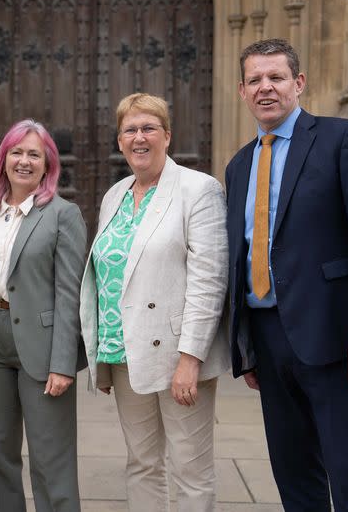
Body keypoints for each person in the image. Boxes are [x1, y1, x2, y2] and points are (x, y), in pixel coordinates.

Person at [225, 38, 348, 511]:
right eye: (255, 80)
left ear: (298, 83)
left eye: (276, 77)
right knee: (294, 477)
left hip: (334, 336)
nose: (266, 88)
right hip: (267, 338)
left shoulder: (344, 138)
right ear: (241, 91)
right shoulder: (239, 165)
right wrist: (245, 345)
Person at [79, 92, 229, 511]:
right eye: (130, 130)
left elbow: (209, 279)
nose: (139, 137)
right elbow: (107, 278)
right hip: (124, 352)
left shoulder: (199, 190)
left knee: (191, 470)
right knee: (142, 463)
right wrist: (103, 359)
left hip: (178, 355)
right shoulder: (116, 195)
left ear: (167, 136)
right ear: (120, 140)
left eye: (148, 128)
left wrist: (191, 358)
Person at [0, 119, 87, 512]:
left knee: (50, 456)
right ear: (3, 160)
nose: (24, 161)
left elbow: (70, 293)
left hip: (42, 346)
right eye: (16, 152)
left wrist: (63, 362)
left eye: (34, 154)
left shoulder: (62, 214)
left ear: (48, 164)